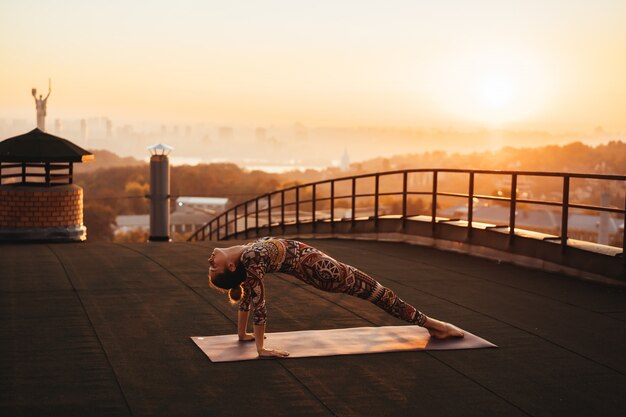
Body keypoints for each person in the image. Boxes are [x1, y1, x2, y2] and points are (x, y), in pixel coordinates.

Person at [208, 237, 464, 358]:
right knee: (381, 294)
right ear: (230, 267)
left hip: (321, 267)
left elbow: (247, 295)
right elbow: (258, 301)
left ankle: (431, 325)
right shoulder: (250, 259)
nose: (210, 260)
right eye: (214, 267)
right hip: (325, 272)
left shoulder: (245, 255)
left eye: (211, 265)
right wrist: (261, 348)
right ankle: (434, 325)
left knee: (381, 294)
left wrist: (242, 335)